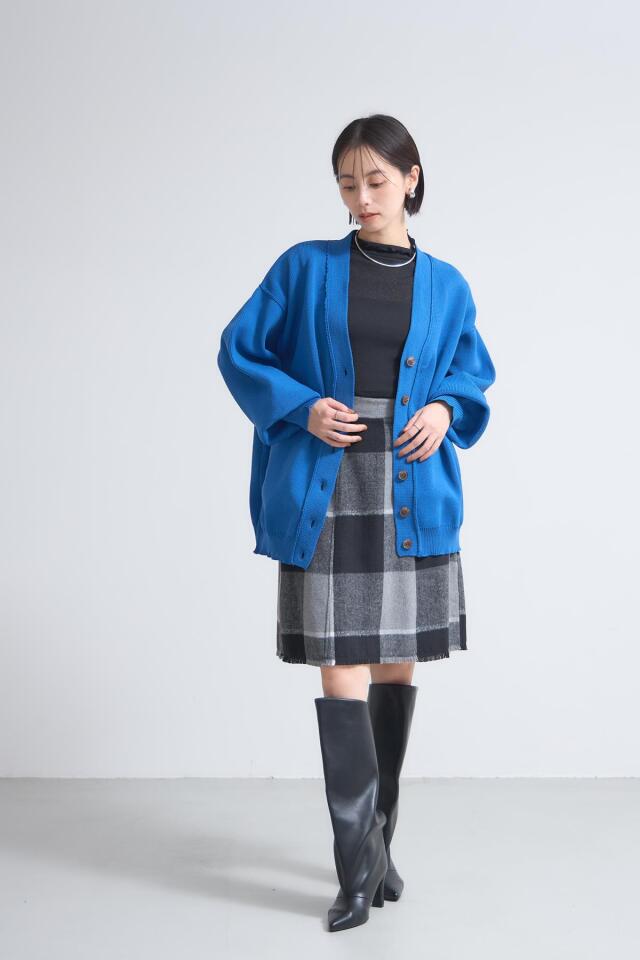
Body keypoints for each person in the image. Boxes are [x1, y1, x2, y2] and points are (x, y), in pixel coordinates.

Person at [217, 114, 496, 932]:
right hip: (328, 484)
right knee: (339, 665)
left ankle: (379, 846)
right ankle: (355, 873)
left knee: (396, 666)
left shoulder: (448, 284)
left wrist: (445, 409)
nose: (361, 197)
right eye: (347, 182)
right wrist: (301, 407)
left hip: (410, 486)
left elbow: (470, 375)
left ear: (412, 178)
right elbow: (239, 350)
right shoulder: (303, 267)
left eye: (376, 180)